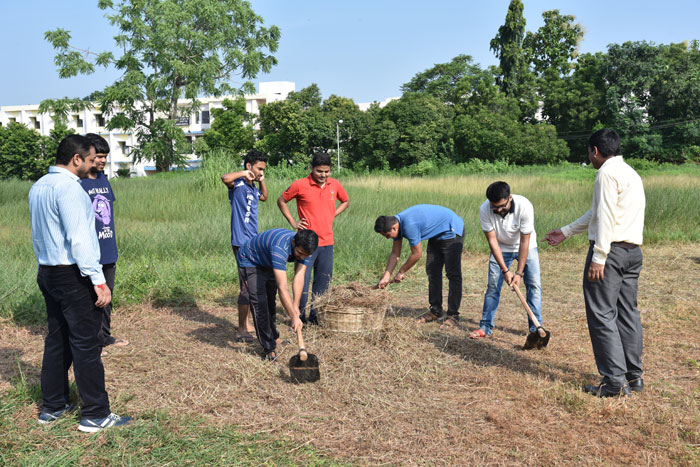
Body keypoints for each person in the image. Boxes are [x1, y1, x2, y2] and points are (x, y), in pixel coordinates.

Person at [29, 134, 131, 432]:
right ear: (76, 159)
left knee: (57, 340)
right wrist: (98, 281)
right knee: (87, 344)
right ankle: (96, 414)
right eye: (89, 159)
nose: (92, 165)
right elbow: (80, 239)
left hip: (47, 271)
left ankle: (53, 406)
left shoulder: (38, 186)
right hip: (73, 274)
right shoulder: (71, 189)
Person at [545, 129, 646, 397]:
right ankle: (633, 377)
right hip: (632, 253)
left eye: (589, 153)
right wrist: (566, 231)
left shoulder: (605, 173)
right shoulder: (630, 173)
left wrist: (599, 256)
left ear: (595, 151)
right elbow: (599, 211)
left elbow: (606, 218)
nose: (590, 158)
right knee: (627, 313)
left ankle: (614, 383)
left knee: (602, 314)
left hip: (610, 254)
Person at [277, 152, 349, 325]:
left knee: (323, 281)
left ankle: (317, 318)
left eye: (327, 171)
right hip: (306, 244)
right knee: (302, 280)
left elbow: (346, 201)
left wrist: (333, 214)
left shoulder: (335, 185)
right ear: (311, 169)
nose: (323, 175)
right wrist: (293, 222)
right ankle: (299, 316)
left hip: (327, 242)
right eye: (319, 171)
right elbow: (281, 201)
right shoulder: (300, 185)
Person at [470, 181, 543, 350]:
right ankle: (485, 327)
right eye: (495, 208)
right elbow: (493, 242)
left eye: (502, 206)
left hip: (527, 246)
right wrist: (505, 270)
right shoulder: (484, 209)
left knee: (534, 285)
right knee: (493, 287)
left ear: (510, 198)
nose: (499, 211)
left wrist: (518, 273)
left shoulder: (524, 206)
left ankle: (535, 329)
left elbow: (525, 241)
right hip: (501, 248)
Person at [374, 205, 464, 328]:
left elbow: (417, 254)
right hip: (437, 234)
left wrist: (401, 271)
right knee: (433, 272)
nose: (387, 238)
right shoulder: (397, 226)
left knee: (453, 274)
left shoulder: (409, 225)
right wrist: (386, 276)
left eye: (387, 235)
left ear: (394, 227)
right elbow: (395, 253)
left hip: (451, 230)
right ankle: (436, 311)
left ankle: (453, 316)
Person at [236, 228, 318, 361]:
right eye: (299, 253)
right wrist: (292, 316)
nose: (301, 257)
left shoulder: (305, 250)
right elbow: (283, 288)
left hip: (268, 261)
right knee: (260, 304)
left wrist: (295, 307)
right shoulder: (280, 248)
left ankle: (274, 336)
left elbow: (299, 277)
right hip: (250, 260)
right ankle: (268, 349)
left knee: (270, 301)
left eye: (305, 255)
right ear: (293, 242)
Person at [81, 133, 129, 356]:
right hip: (88, 252)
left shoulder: (103, 180)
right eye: (98, 156)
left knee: (107, 298)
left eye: (105, 157)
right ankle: (89, 341)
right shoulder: (79, 183)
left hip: (108, 249)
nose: (102, 161)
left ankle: (104, 337)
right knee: (89, 298)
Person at [221, 149, 268, 342]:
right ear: (249, 166)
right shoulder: (238, 184)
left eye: (263, 169)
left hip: (253, 241)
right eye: (258, 168)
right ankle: (242, 329)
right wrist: (244, 173)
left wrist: (261, 179)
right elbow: (225, 178)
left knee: (250, 284)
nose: (260, 171)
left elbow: (264, 197)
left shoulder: (252, 188)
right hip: (241, 243)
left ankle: (247, 324)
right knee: (247, 286)